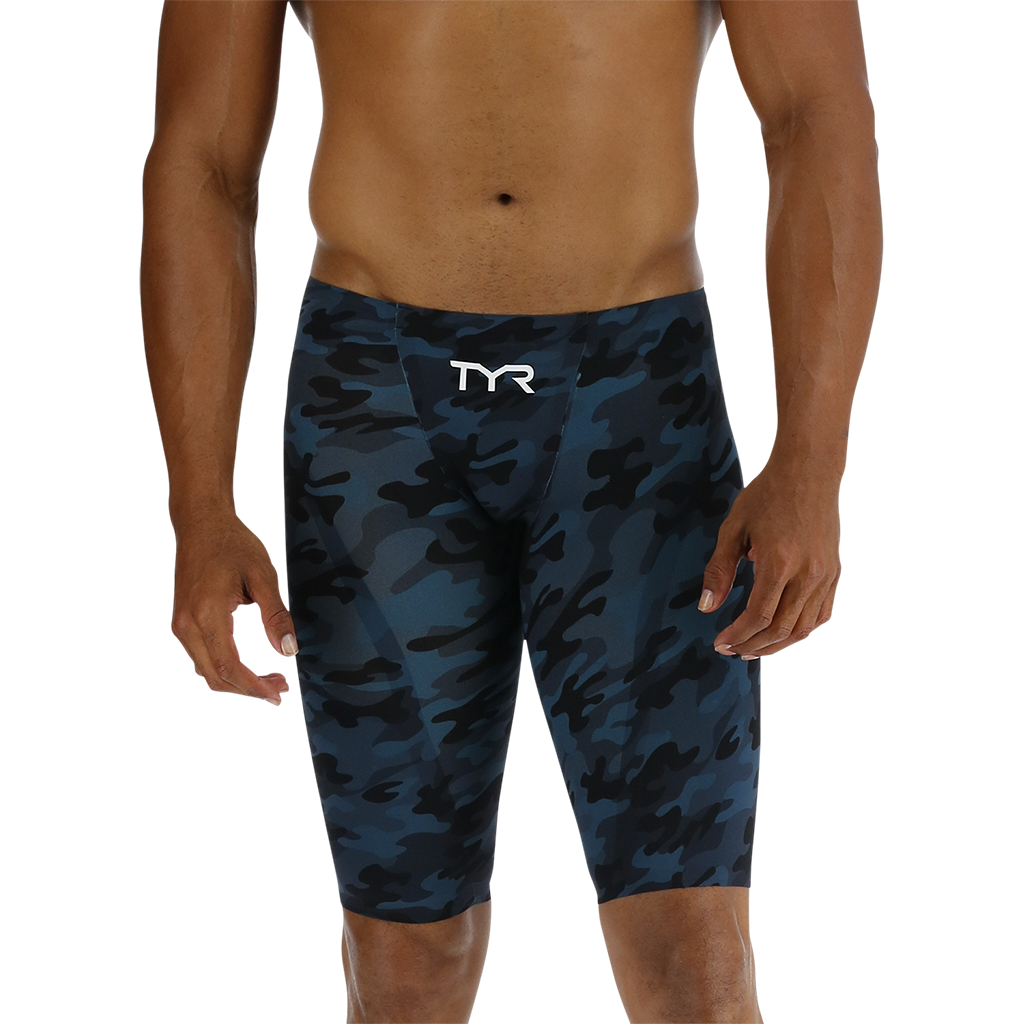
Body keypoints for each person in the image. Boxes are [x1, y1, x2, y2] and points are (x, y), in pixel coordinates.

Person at [141, 0, 882, 1021]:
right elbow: (202, 161)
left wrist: (811, 458)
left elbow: (815, 112)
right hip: (377, 410)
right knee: (405, 962)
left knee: (696, 964)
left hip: (633, 405)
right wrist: (200, 508)